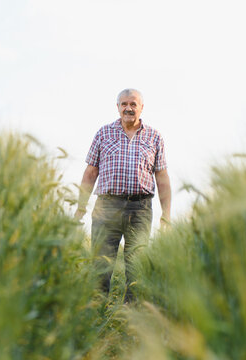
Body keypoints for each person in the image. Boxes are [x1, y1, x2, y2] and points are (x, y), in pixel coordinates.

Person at [74, 88, 171, 301]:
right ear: (117, 107)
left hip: (140, 208)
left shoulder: (155, 137)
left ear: (141, 108)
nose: (128, 108)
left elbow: (162, 178)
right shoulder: (103, 133)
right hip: (106, 206)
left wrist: (166, 214)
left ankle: (130, 321)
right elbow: (91, 172)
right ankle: (99, 313)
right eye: (124, 104)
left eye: (133, 104)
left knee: (136, 264)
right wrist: (81, 206)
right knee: (100, 262)